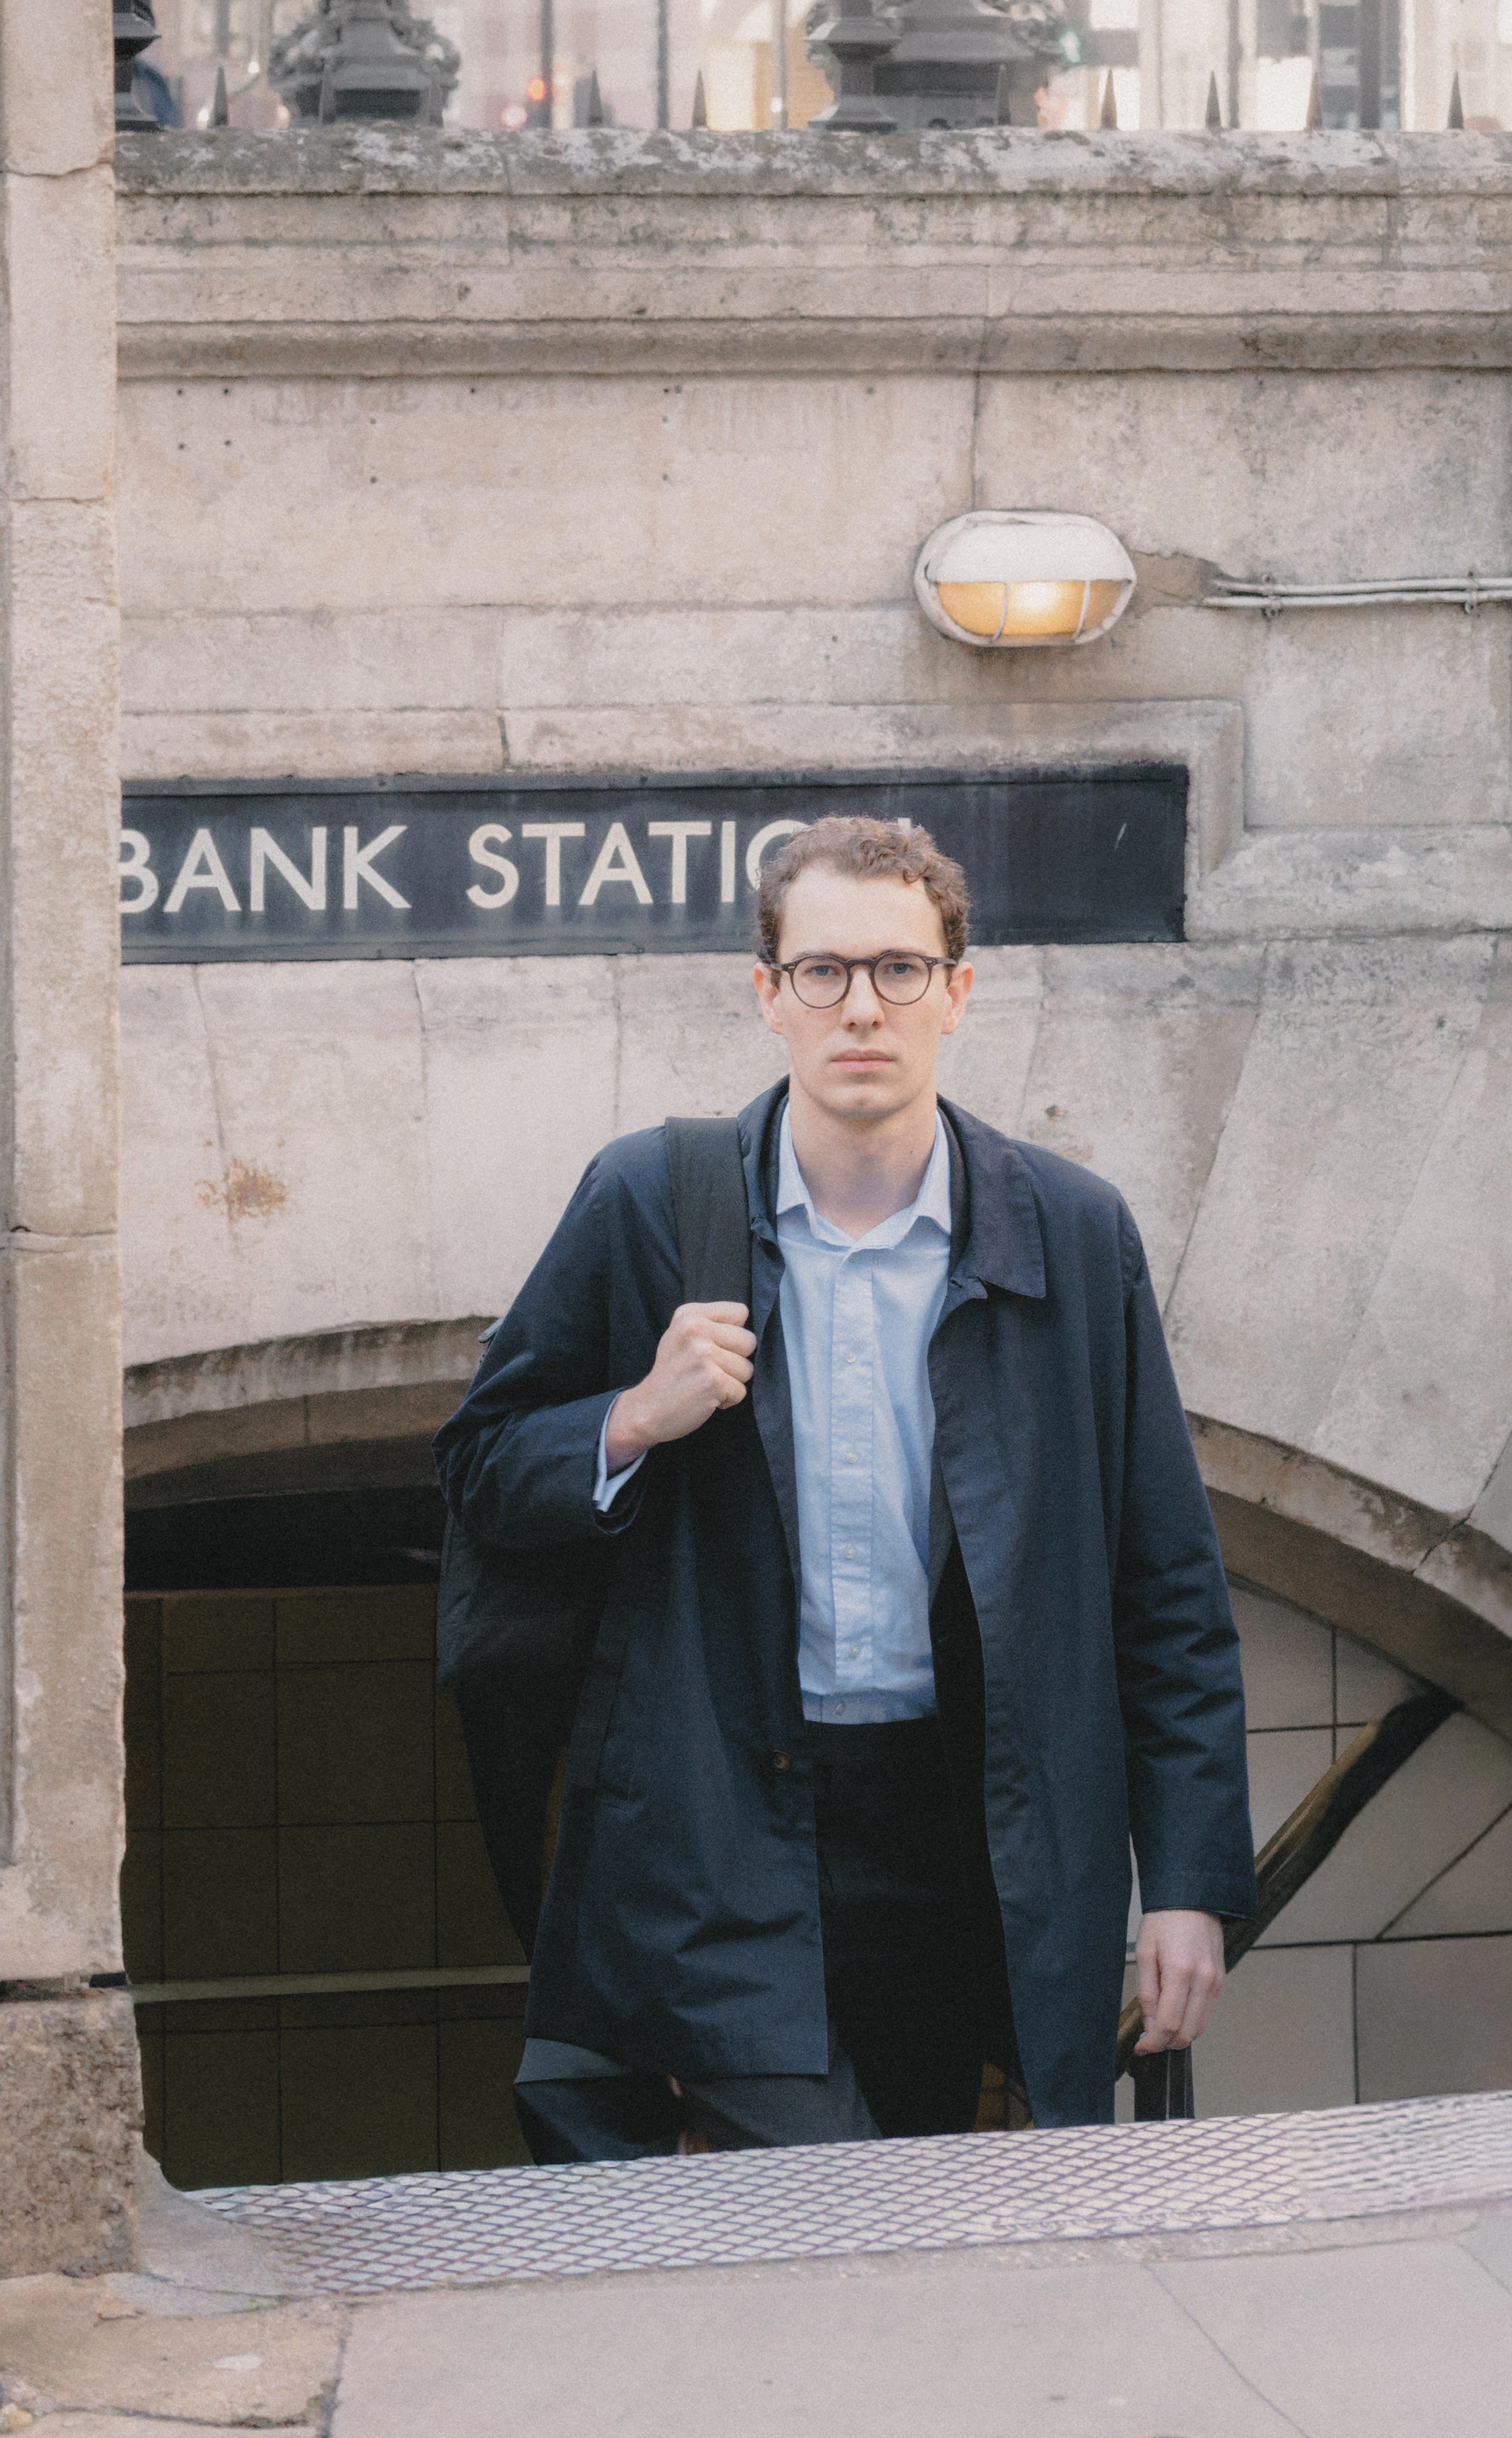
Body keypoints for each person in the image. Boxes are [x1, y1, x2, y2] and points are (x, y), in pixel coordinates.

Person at [433, 816, 1255, 2159]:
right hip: (727, 1817)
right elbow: (479, 1467)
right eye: (821, 972)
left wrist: (1188, 1885)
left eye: (899, 970)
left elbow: (1162, 1587)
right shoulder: (649, 1199)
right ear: (769, 996)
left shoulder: (1070, 1232)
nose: (860, 1006)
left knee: (921, 2178)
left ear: (958, 993)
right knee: (826, 2174)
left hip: (967, 1831)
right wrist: (635, 1417)